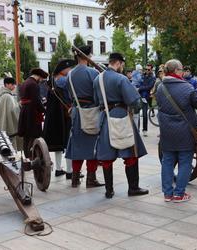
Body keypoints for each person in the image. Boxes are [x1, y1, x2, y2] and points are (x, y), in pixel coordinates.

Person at [93, 52, 149, 199]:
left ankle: (109, 190)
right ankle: (133, 188)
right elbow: (135, 103)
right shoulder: (121, 79)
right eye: (122, 65)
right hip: (121, 117)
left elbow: (95, 100)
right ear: (118, 63)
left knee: (106, 156)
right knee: (130, 153)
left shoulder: (97, 79)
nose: (122, 68)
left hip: (105, 118)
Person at [156, 59, 197, 202]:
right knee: (185, 161)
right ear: (177, 71)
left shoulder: (160, 87)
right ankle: (179, 194)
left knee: (167, 161)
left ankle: (167, 194)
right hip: (185, 131)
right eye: (182, 69)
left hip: (166, 130)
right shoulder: (187, 87)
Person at [65, 45, 103, 188]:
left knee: (77, 146)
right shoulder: (93, 73)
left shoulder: (69, 74)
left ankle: (75, 179)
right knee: (92, 148)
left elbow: (69, 95)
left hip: (76, 112)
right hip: (91, 113)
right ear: (88, 56)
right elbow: (98, 95)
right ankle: (91, 179)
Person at [43, 59, 76, 178]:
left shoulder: (52, 79)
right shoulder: (63, 80)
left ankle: (58, 169)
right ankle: (69, 171)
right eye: (70, 68)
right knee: (68, 142)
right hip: (64, 115)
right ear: (64, 70)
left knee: (58, 144)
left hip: (54, 115)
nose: (71, 71)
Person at [18, 68, 49, 158]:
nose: (41, 81)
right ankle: (32, 158)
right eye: (42, 79)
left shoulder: (25, 82)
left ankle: (27, 157)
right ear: (39, 76)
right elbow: (36, 101)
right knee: (33, 136)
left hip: (25, 111)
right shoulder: (33, 84)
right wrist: (44, 110)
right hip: (32, 113)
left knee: (27, 137)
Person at [0, 77, 22, 150]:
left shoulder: (1, 95)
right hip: (10, 127)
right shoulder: (7, 96)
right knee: (11, 146)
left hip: (3, 126)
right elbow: (13, 111)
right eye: (12, 84)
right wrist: (19, 105)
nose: (14, 86)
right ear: (6, 84)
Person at [138, 64, 156, 137]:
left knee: (145, 114)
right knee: (138, 114)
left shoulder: (153, 78)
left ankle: (145, 130)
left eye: (148, 69)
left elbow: (149, 86)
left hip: (147, 96)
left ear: (151, 70)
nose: (147, 71)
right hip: (140, 96)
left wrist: (140, 88)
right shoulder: (142, 75)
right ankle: (138, 129)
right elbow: (138, 83)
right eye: (146, 69)